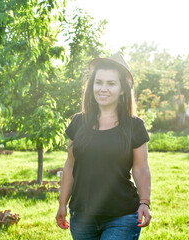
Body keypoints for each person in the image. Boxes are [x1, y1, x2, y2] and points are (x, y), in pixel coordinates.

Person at [56, 53, 152, 240]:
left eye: (111, 83)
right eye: (98, 82)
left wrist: (145, 202)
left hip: (122, 216)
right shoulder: (78, 122)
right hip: (82, 217)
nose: (103, 89)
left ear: (123, 90)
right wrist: (62, 204)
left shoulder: (135, 126)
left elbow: (141, 168)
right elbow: (70, 166)